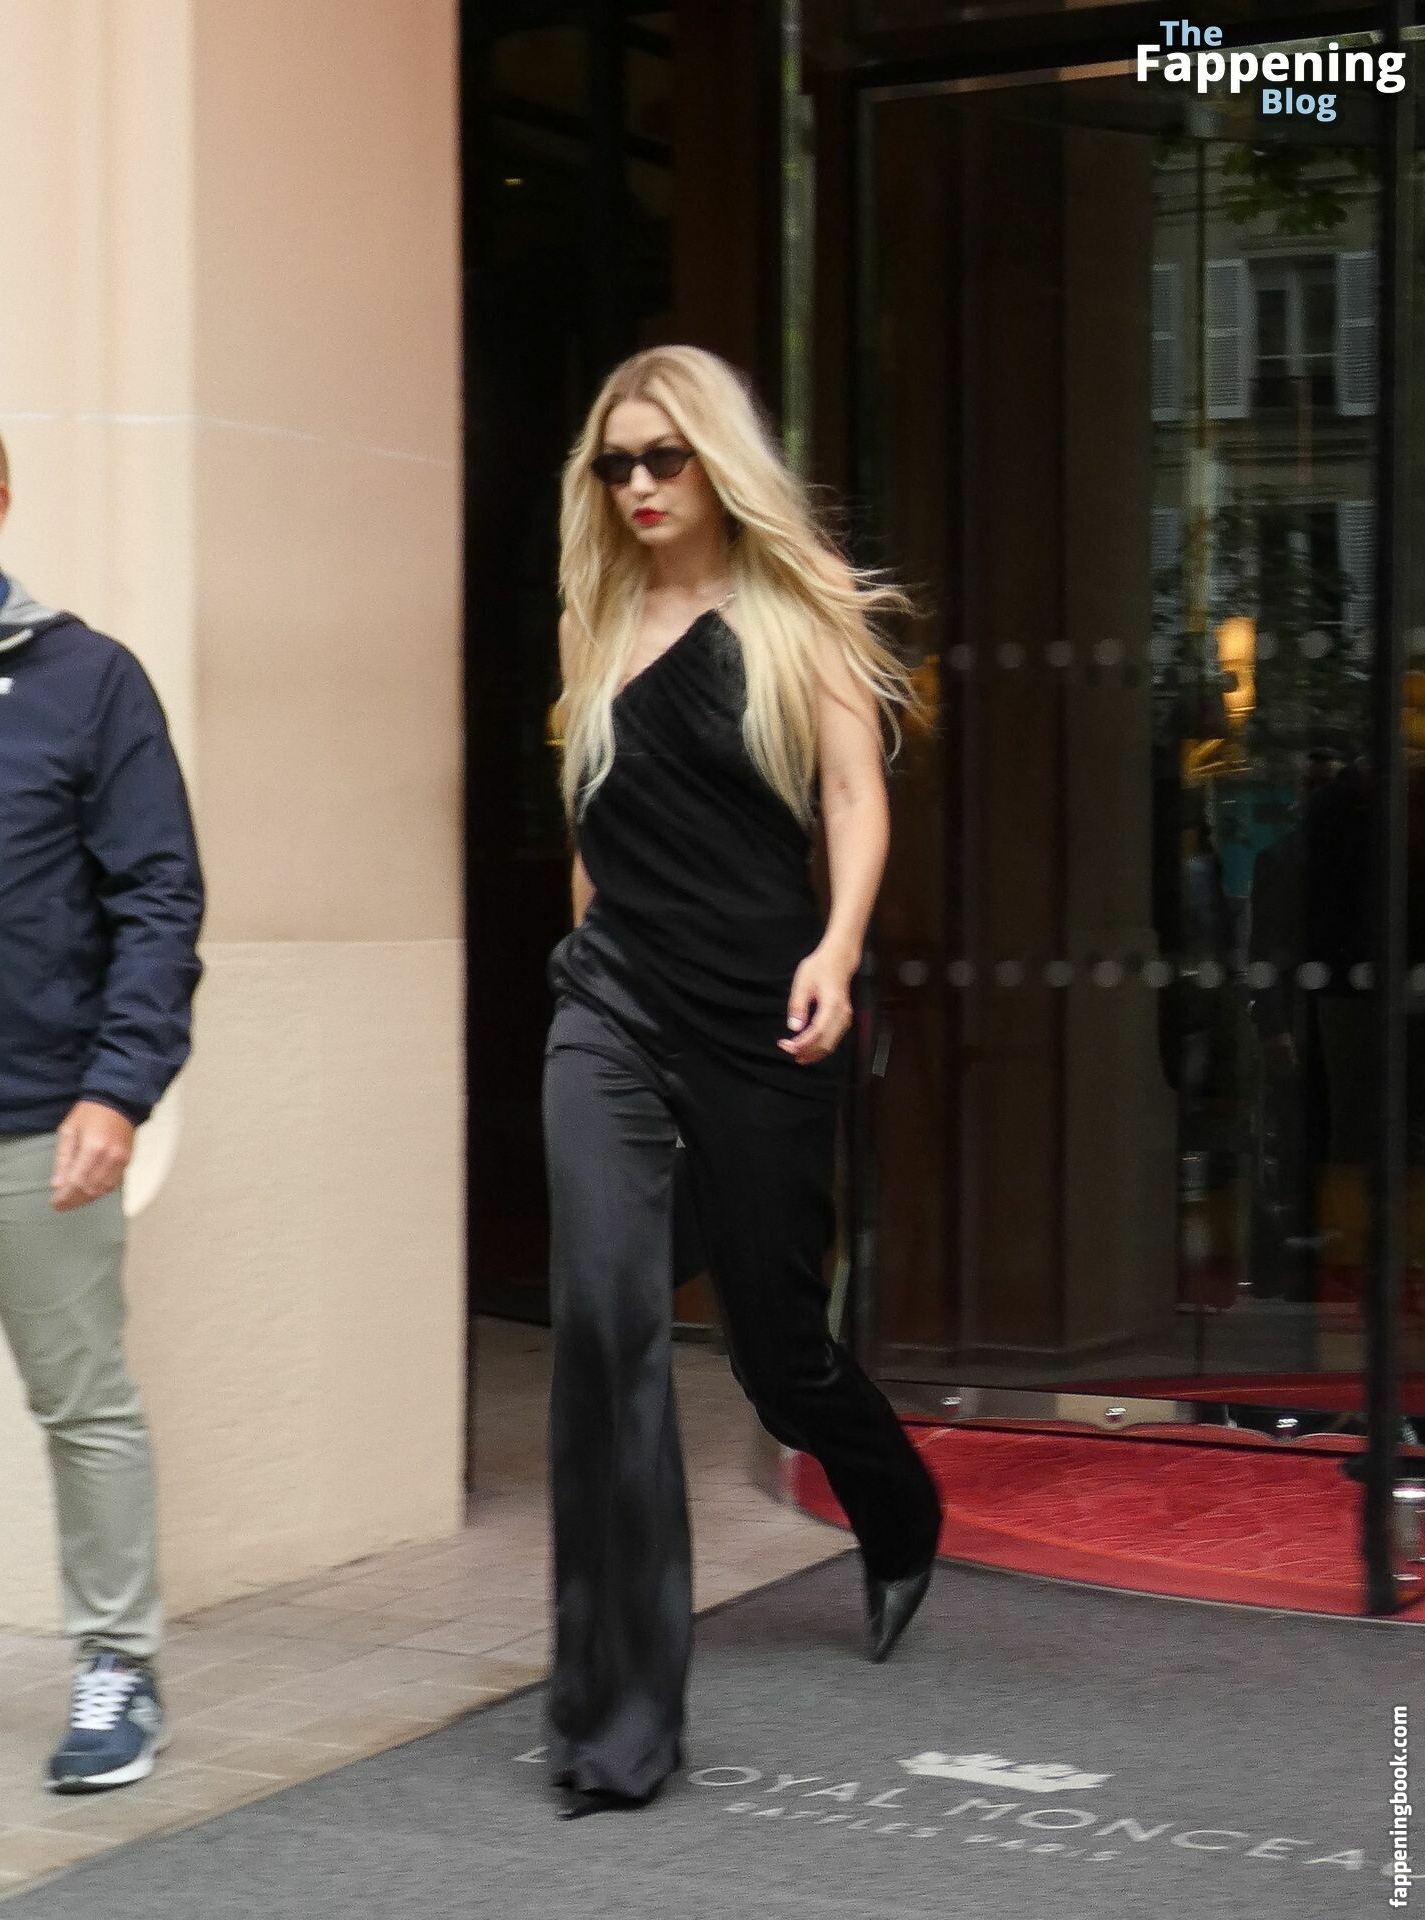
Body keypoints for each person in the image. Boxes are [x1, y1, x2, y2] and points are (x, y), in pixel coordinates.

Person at [541, 346, 944, 1819]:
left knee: (779, 1358)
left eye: (666, 458)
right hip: (610, 1003)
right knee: (606, 1324)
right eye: (616, 465)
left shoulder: (794, 606)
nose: (640, 486)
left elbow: (852, 791)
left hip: (764, 1011)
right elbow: (593, 821)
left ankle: (896, 1504)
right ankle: (613, 1716)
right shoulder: (593, 619)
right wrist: (583, 959)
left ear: (717, 462)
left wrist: (839, 947)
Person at [0, 419, 205, 1791]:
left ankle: (119, 1665)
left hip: (34, 1120)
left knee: (82, 1404)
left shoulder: (88, 681)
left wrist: (120, 1089)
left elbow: (159, 896)